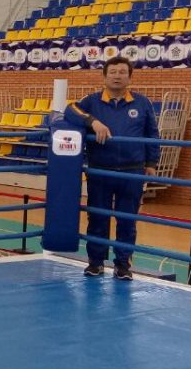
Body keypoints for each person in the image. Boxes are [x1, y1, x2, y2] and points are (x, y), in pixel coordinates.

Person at [65, 55, 160, 280]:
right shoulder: (92, 101)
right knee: (98, 218)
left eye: (122, 72)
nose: (117, 76)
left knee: (127, 221)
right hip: (100, 170)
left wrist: (151, 163)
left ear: (130, 77)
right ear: (105, 76)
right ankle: (95, 263)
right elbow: (70, 110)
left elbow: (152, 134)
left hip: (132, 171)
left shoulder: (142, 103)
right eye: (113, 72)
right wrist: (93, 122)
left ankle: (123, 266)